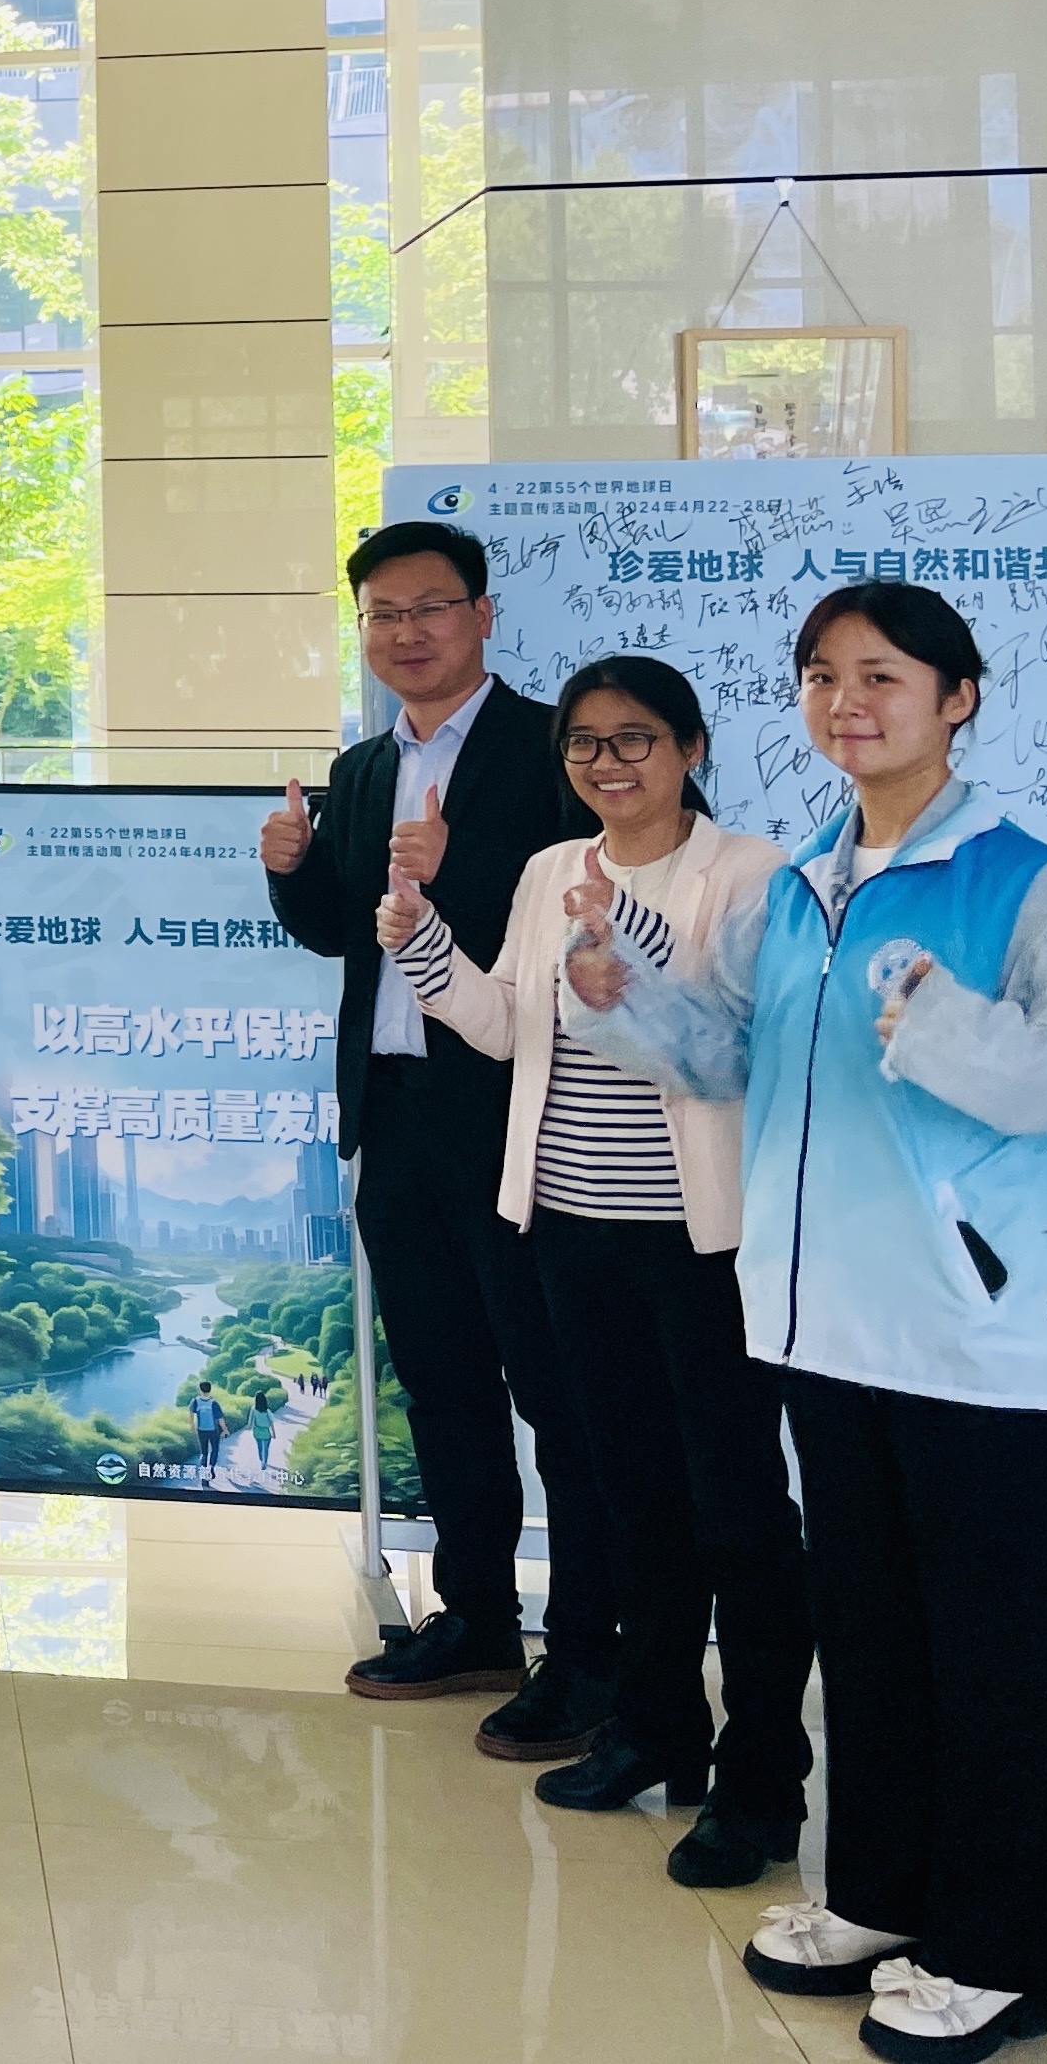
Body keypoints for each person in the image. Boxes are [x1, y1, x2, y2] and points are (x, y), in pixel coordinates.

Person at [566, 583, 1047, 2062]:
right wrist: (620, 993)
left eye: (882, 675)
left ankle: (996, 1953)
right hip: (825, 1330)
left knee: (990, 1662)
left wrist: (947, 1028)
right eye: (822, 675)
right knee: (874, 1643)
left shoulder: (1019, 881)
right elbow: (730, 1054)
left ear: (957, 697)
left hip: (982, 1343)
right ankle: (882, 1895)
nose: (847, 701)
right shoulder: (798, 889)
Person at [379, 653, 810, 1889]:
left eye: (633, 739)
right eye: (583, 742)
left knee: (738, 1507)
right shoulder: (547, 870)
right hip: (567, 1225)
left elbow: (737, 1042)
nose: (606, 763)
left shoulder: (750, 873)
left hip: (701, 1239)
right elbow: (509, 1025)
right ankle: (654, 1725)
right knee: (630, 1494)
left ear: (688, 749)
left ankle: (762, 1775)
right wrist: (423, 949)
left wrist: (624, 945)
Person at [262, 517, 616, 1758]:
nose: (404, 632)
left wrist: (459, 873)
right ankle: (475, 1616)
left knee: (558, 1389)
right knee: (442, 1379)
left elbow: (611, 896)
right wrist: (294, 870)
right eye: (381, 614)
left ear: (481, 616)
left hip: (522, 1117)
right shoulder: (363, 767)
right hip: (398, 1114)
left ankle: (592, 1647)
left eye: (428, 607)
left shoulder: (556, 749)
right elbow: (347, 932)